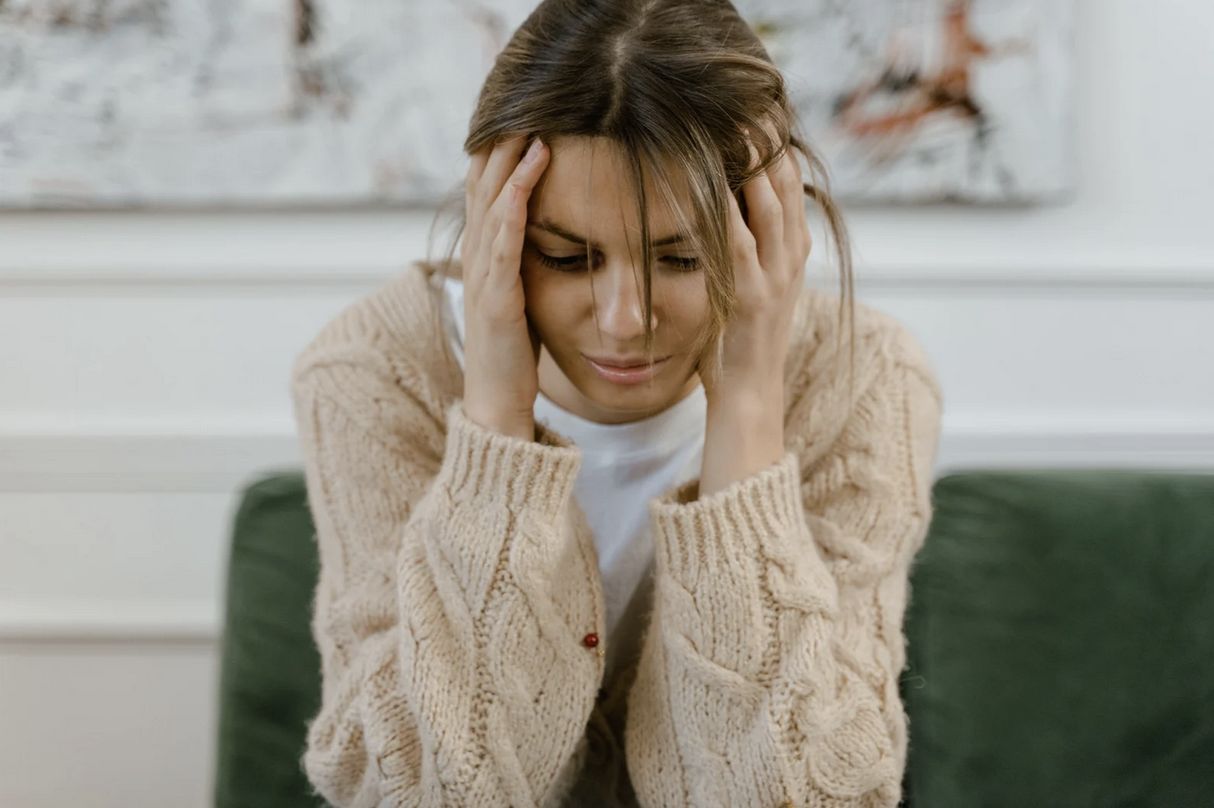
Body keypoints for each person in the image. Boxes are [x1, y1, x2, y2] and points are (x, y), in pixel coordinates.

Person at [289, 0, 944, 806]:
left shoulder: (861, 377)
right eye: (567, 258)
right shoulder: (378, 373)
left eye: (680, 257)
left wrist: (746, 414)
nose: (626, 320)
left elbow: (809, 794)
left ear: (768, 226)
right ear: (500, 224)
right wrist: (495, 426)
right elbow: (420, 792)